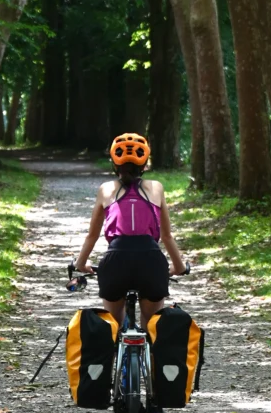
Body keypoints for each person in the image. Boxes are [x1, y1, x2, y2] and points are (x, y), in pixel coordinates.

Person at [74, 132, 187, 330]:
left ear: (114, 164)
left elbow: (92, 235)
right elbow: (167, 236)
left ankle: (114, 354)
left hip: (115, 261)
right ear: (144, 165)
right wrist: (178, 267)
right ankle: (151, 356)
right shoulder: (156, 187)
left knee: (112, 328)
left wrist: (81, 264)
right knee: (152, 329)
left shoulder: (105, 189)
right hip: (151, 261)